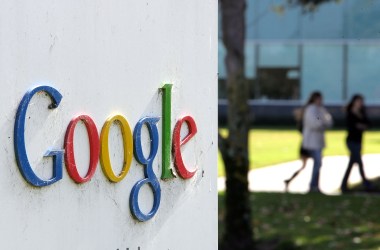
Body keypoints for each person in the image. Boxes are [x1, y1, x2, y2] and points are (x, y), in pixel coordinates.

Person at [302, 91, 333, 192]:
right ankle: (313, 185)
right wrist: (322, 123)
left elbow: (327, 120)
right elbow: (316, 123)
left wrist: (323, 122)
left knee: (318, 163)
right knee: (318, 162)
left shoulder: (320, 110)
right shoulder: (311, 110)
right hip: (312, 141)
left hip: (318, 141)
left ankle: (315, 185)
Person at [340, 94, 372, 193]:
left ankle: (344, 185)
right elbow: (352, 126)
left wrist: (361, 125)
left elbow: (367, 124)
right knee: (359, 162)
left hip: (358, 141)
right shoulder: (350, 113)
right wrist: (360, 126)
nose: (360, 103)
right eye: (358, 101)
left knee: (352, 163)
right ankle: (366, 183)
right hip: (351, 141)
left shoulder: (362, 112)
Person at [284, 108, 311, 191]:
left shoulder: (302, 123)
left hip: (306, 145)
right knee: (308, 165)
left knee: (304, 166)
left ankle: (289, 180)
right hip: (307, 145)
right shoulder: (304, 123)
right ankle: (313, 184)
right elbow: (318, 119)